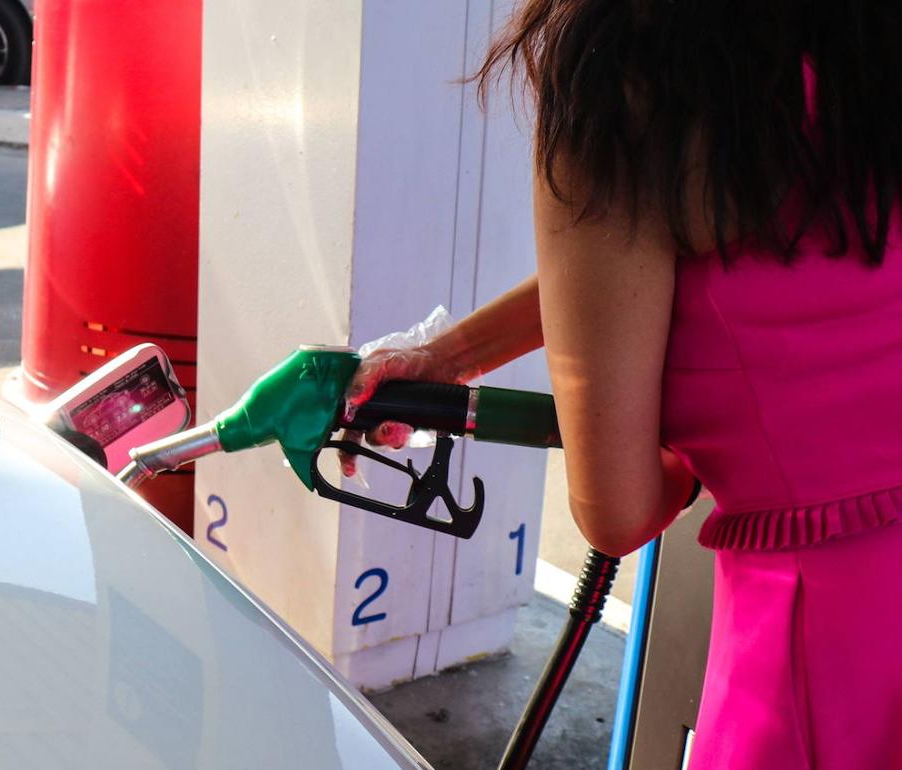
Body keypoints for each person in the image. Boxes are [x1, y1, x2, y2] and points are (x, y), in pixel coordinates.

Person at [341, 2, 902, 767]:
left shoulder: (627, 57)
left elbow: (617, 509)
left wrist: (710, 452)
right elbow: (764, 235)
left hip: (822, 645)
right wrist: (448, 356)